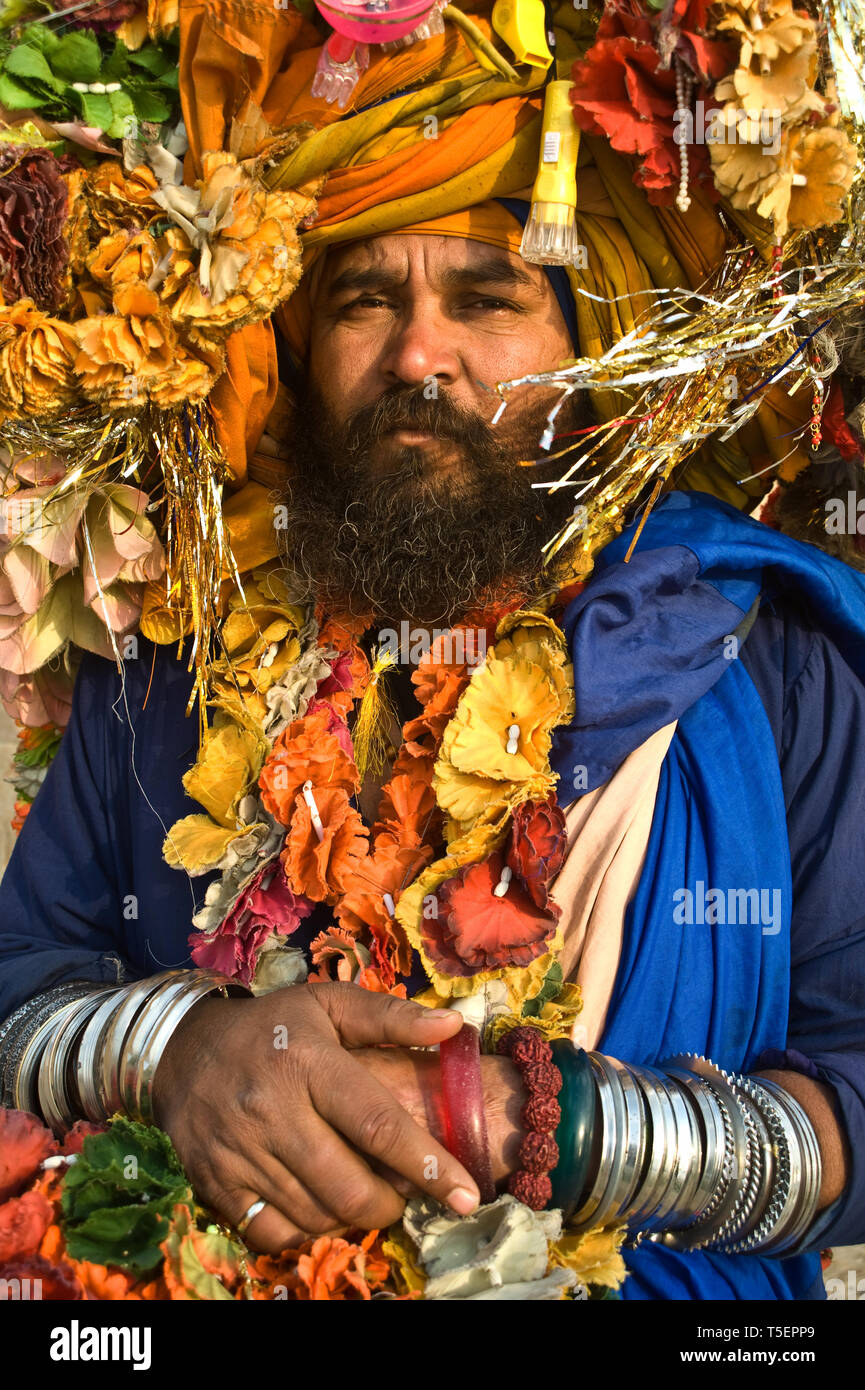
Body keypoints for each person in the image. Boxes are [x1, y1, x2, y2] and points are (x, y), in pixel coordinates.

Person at [1, 193, 864, 1303]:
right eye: (366, 299)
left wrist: (558, 1128)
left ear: (596, 351)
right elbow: (22, 977)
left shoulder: (763, 653)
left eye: (484, 299)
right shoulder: (176, 647)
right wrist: (174, 1053)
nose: (418, 353)